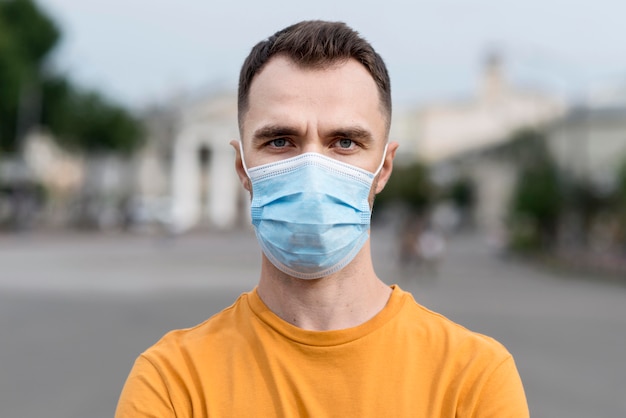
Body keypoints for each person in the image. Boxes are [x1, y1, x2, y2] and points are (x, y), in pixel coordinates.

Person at [115, 20, 529, 417]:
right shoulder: (172, 382)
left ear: (383, 168)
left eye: (344, 142)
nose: (312, 170)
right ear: (242, 167)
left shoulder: (474, 379)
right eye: (280, 141)